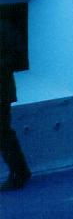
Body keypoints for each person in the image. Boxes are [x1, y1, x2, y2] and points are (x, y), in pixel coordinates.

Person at [0, 17, 30, 191]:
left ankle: (19, 172)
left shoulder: (4, 27)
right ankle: (20, 172)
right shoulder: (5, 25)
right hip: (4, 88)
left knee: (3, 133)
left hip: (2, 89)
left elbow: (15, 55)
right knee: (4, 132)